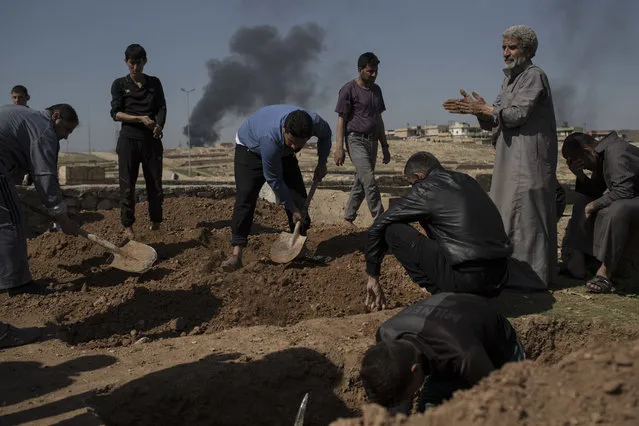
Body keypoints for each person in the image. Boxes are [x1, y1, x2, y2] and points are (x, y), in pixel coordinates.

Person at [443, 25, 560, 290]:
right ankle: (513, 273)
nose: (506, 53)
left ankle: (532, 278)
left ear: (528, 50)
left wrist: (486, 109)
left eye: (512, 47)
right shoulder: (508, 80)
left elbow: (516, 115)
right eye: (504, 47)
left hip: (529, 157)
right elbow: (497, 119)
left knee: (527, 215)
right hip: (509, 156)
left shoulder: (534, 76)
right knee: (507, 212)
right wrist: (479, 112)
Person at [364, 152, 512, 310]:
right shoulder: (467, 180)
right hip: (500, 278)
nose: (412, 189)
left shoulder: (426, 188)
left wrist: (373, 275)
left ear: (419, 176)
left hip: (465, 281)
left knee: (392, 229)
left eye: (412, 184)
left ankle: (441, 295)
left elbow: (379, 225)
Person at [360, 292, 525, 414]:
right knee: (428, 410)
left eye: (408, 394)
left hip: (496, 350)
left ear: (416, 370)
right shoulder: (385, 334)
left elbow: (503, 398)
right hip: (447, 334)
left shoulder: (463, 355)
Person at [0, 103, 81, 348]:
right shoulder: (44, 129)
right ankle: (19, 284)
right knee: (11, 223)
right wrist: (60, 215)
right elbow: (45, 176)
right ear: (55, 116)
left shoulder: (28, 117)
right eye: (66, 128)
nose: (66, 136)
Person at [221, 105, 332, 271]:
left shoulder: (314, 122)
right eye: (292, 142)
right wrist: (291, 207)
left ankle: (301, 249)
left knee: (299, 198)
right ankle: (237, 253)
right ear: (284, 129)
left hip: (282, 152)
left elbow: (326, 135)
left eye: (300, 144)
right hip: (249, 149)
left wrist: (322, 162)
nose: (295, 147)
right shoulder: (269, 139)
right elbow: (274, 179)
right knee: (246, 197)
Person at [560, 132, 639, 293]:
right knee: (582, 201)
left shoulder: (616, 152)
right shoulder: (601, 156)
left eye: (578, 161)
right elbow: (595, 192)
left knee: (618, 209)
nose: (583, 166)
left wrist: (592, 206)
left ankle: (604, 273)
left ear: (588, 150)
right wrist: (580, 175)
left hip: (631, 200)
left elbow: (624, 192)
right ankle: (577, 262)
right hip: (631, 198)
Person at [110, 43, 167, 240]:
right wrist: (139, 119)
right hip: (128, 141)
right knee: (127, 186)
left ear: (145, 62)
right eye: (132, 63)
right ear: (126, 62)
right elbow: (115, 113)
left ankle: (156, 222)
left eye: (139, 63)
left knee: (155, 184)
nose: (135, 67)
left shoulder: (154, 83)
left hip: (151, 140)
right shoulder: (119, 85)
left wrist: (159, 125)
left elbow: (161, 107)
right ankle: (127, 227)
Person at [334, 52, 391, 224]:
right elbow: (341, 120)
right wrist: (339, 148)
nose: (373, 75)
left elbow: (379, 119)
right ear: (360, 70)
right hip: (355, 140)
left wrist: (385, 146)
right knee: (369, 179)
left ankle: (348, 217)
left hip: (372, 141)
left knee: (361, 181)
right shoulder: (348, 90)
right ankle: (380, 220)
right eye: (370, 71)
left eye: (375, 71)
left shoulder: (376, 90)